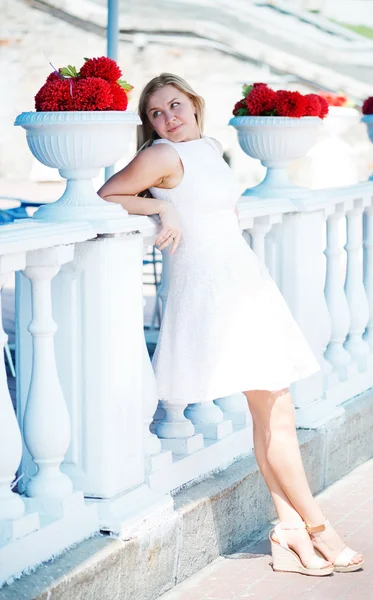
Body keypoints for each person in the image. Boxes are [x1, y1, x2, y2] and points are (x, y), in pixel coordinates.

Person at [98, 73, 363, 576]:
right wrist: (159, 204)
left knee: (270, 417)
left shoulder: (208, 146)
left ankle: (289, 533)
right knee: (277, 412)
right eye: (155, 113)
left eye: (174, 105)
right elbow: (106, 195)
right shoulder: (161, 155)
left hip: (245, 285)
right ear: (149, 124)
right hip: (216, 297)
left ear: (194, 104)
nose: (168, 118)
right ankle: (319, 527)